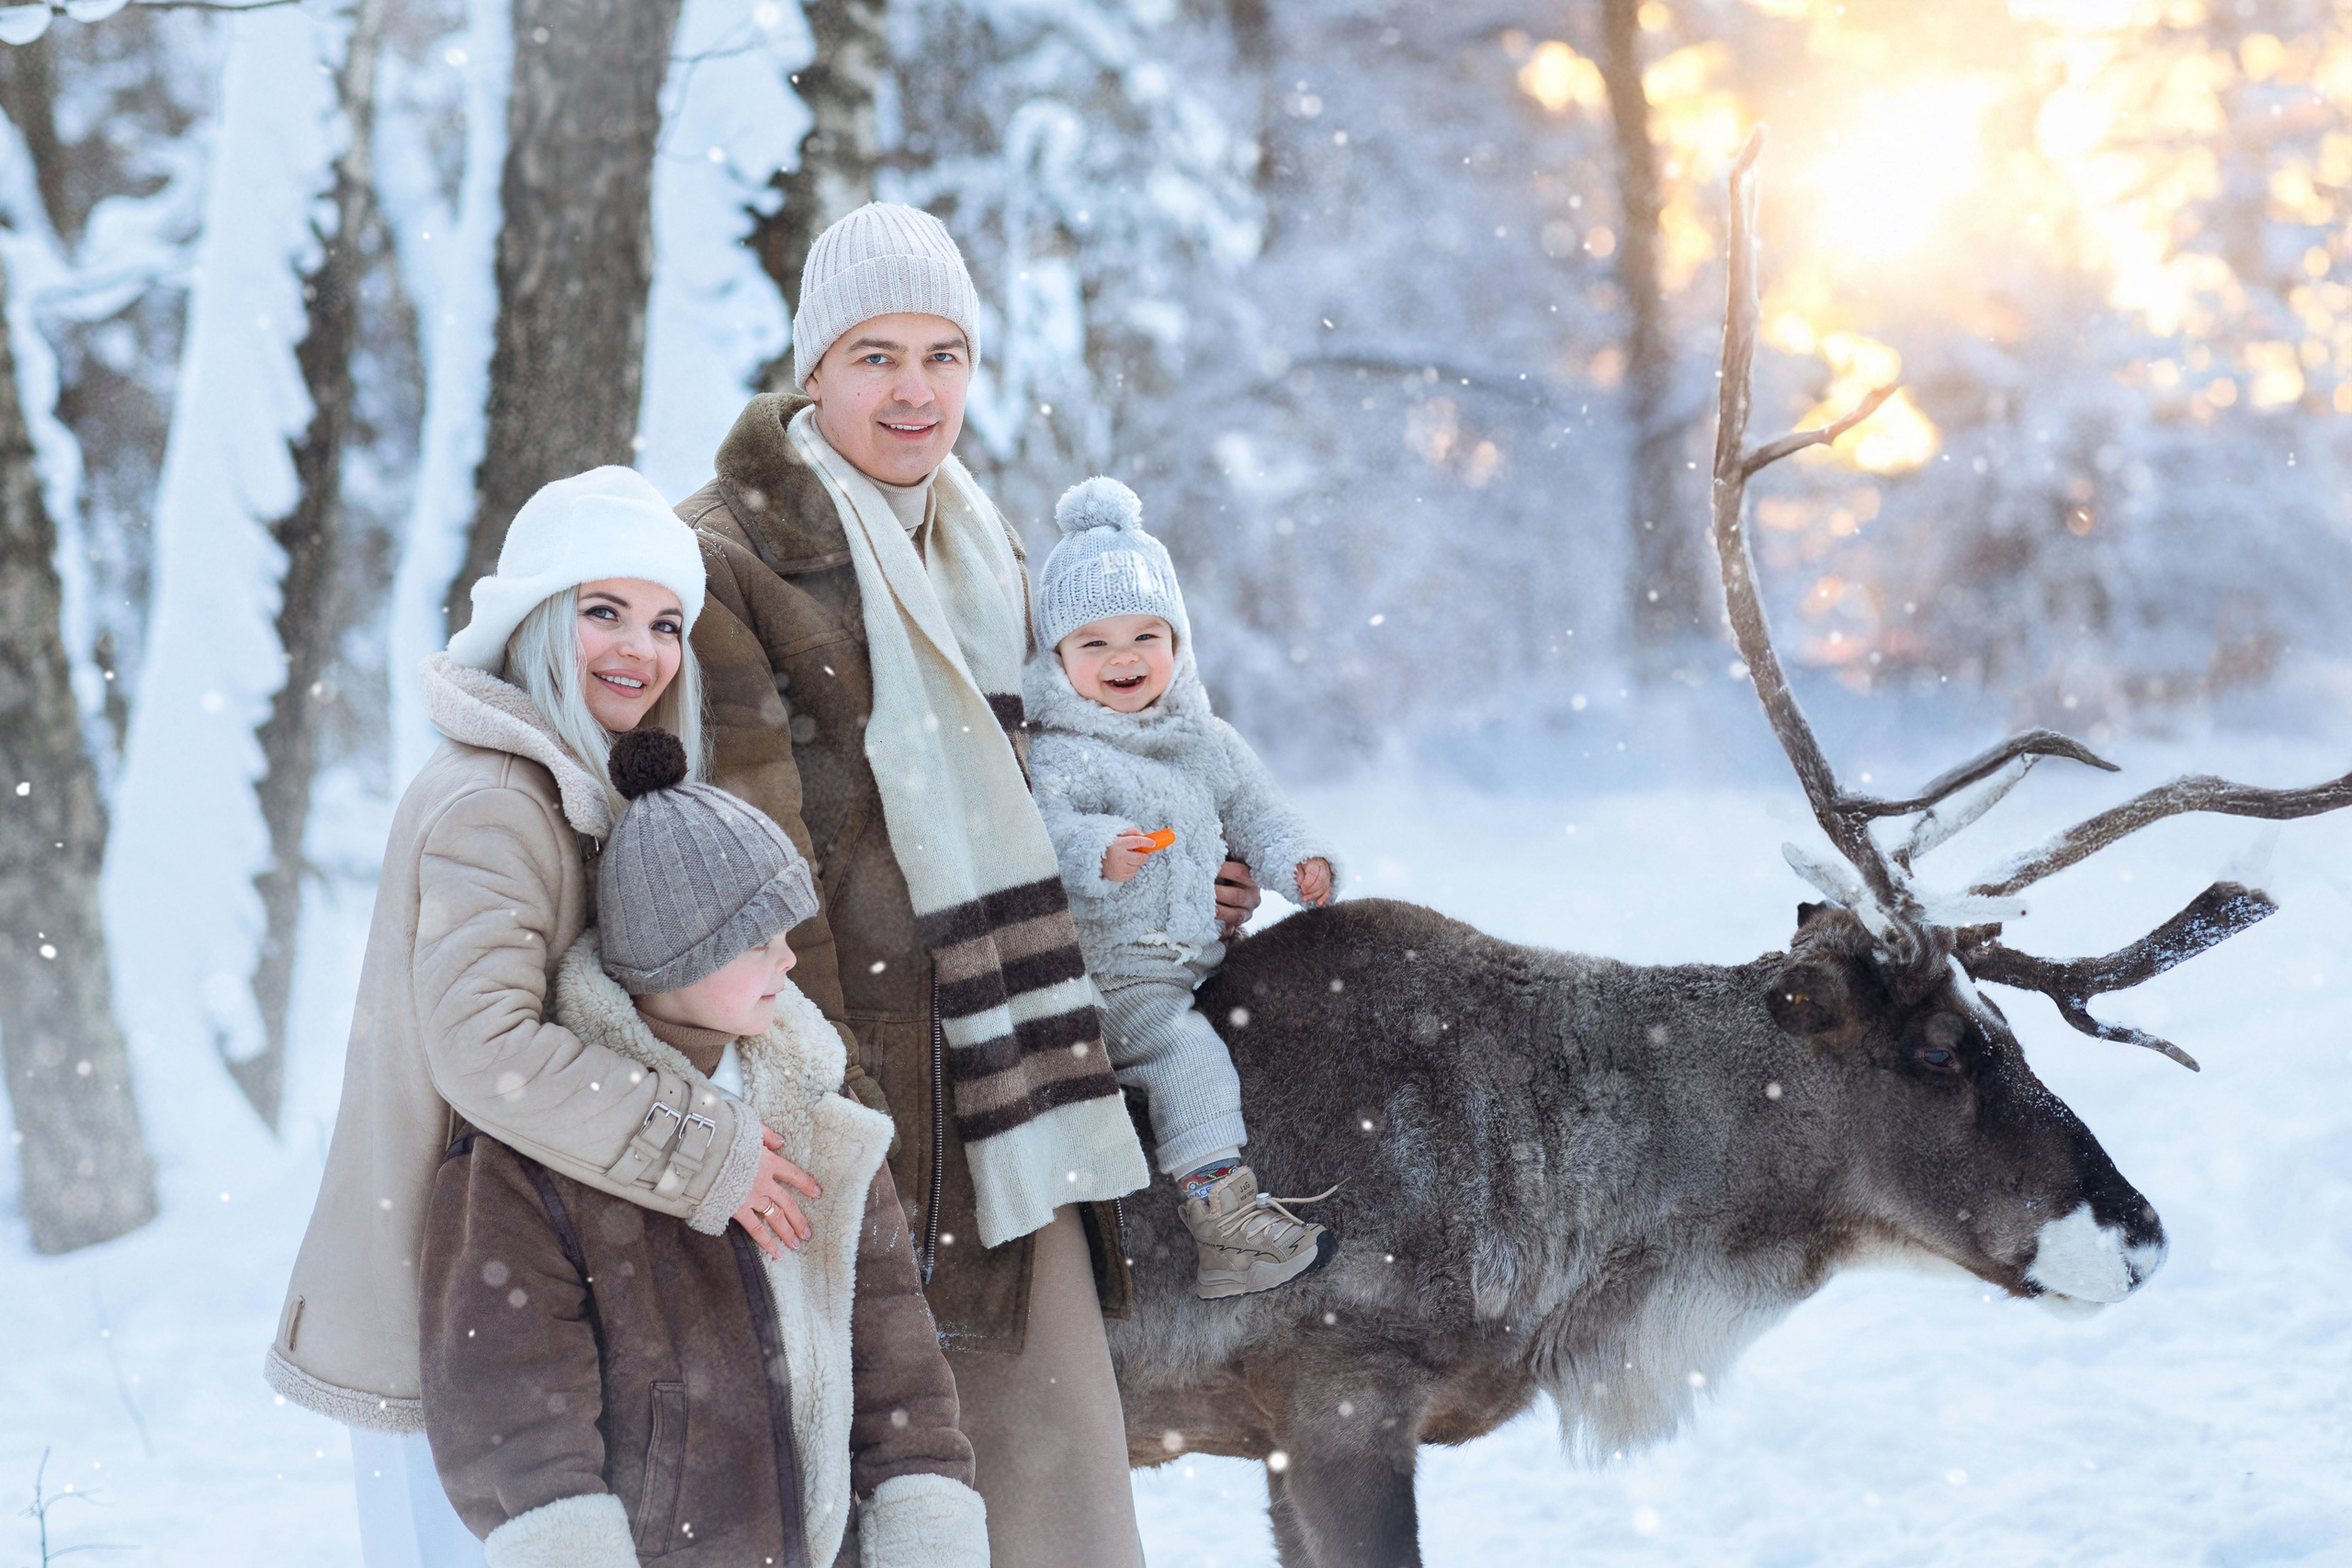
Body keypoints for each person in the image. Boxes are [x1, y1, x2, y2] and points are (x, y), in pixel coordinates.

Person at [678, 203, 1249, 1567]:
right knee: (875, 1477)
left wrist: (1178, 873)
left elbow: (1070, 778)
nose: (916, 389)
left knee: (1036, 1485)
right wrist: (834, 1088)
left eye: (945, 353)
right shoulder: (726, 557)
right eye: (877, 354)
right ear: (813, 366)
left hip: (1016, 1067)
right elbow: (755, 865)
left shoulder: (987, 547)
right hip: (865, 1083)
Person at [267, 468, 823, 1566]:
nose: (641, 647)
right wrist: (704, 1146)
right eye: (601, 611)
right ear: (530, 620)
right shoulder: (497, 799)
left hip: (504, 1305)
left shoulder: (561, 780)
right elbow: (487, 1051)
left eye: (666, 621)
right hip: (457, 1309)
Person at [417, 728, 988, 1568]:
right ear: (675, 956)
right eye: (756, 940)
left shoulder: (823, 1110)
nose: (788, 958)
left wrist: (923, 1520)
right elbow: (512, 1397)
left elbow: (897, 1353)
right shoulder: (539, 1148)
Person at [1023, 477, 1342, 1299]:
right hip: (1114, 979)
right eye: (1092, 644)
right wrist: (1097, 850)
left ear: (1178, 640)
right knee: (1187, 1057)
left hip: (1197, 962)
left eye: (1144, 635)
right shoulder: (1062, 750)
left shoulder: (1207, 741)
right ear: (1057, 659)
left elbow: (1260, 813)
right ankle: (1224, 1224)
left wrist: (1298, 860)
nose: (1123, 658)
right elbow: (1036, 835)